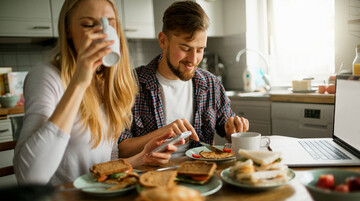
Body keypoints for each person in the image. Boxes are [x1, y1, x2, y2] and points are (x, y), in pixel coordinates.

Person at [13, 0, 181, 186]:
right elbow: (29, 177)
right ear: (68, 31)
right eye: (88, 25)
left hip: (98, 196)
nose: (102, 31)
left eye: (109, 22)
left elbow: (101, 166)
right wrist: (79, 82)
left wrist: (141, 158)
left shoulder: (110, 82)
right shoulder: (47, 76)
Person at [117, 1, 249, 158]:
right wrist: (162, 133)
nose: (193, 59)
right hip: (151, 175)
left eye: (200, 50)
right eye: (185, 49)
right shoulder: (130, 83)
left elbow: (228, 129)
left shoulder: (211, 84)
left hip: (201, 176)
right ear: (163, 41)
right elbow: (121, 149)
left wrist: (235, 129)